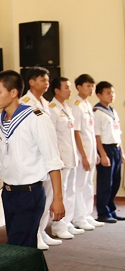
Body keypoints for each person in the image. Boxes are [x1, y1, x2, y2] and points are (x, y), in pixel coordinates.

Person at [0, 70, 65, 248]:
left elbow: (53, 161)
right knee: (20, 247)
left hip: (30, 193)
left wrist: (58, 199)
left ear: (13, 92)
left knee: (19, 246)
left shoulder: (36, 118)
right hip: (8, 193)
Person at [19, 66, 63, 249]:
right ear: (31, 82)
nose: (47, 83)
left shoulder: (45, 102)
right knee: (38, 198)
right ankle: (34, 233)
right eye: (43, 79)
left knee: (48, 196)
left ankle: (41, 231)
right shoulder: (25, 102)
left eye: (47, 80)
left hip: (47, 155)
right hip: (34, 157)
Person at [47, 77, 86, 238]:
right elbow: (52, 137)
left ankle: (67, 222)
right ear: (57, 90)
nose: (70, 91)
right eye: (66, 87)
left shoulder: (67, 108)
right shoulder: (52, 109)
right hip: (61, 158)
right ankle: (58, 225)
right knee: (60, 192)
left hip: (71, 156)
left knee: (71, 191)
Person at [70, 74, 103, 230]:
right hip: (81, 153)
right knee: (79, 184)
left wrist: (95, 153)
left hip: (90, 151)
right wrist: (83, 155)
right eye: (88, 86)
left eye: (92, 86)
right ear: (79, 87)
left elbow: (90, 132)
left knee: (89, 183)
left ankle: (87, 214)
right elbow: (76, 132)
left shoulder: (88, 105)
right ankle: (78, 217)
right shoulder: (76, 106)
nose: (91, 89)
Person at [93, 81, 124, 223]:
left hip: (116, 148)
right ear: (99, 95)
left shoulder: (112, 111)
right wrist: (103, 154)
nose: (111, 95)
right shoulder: (97, 112)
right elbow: (97, 135)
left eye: (112, 92)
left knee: (115, 182)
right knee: (105, 182)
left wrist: (121, 151)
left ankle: (111, 210)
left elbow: (118, 133)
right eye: (108, 93)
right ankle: (103, 213)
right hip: (106, 149)